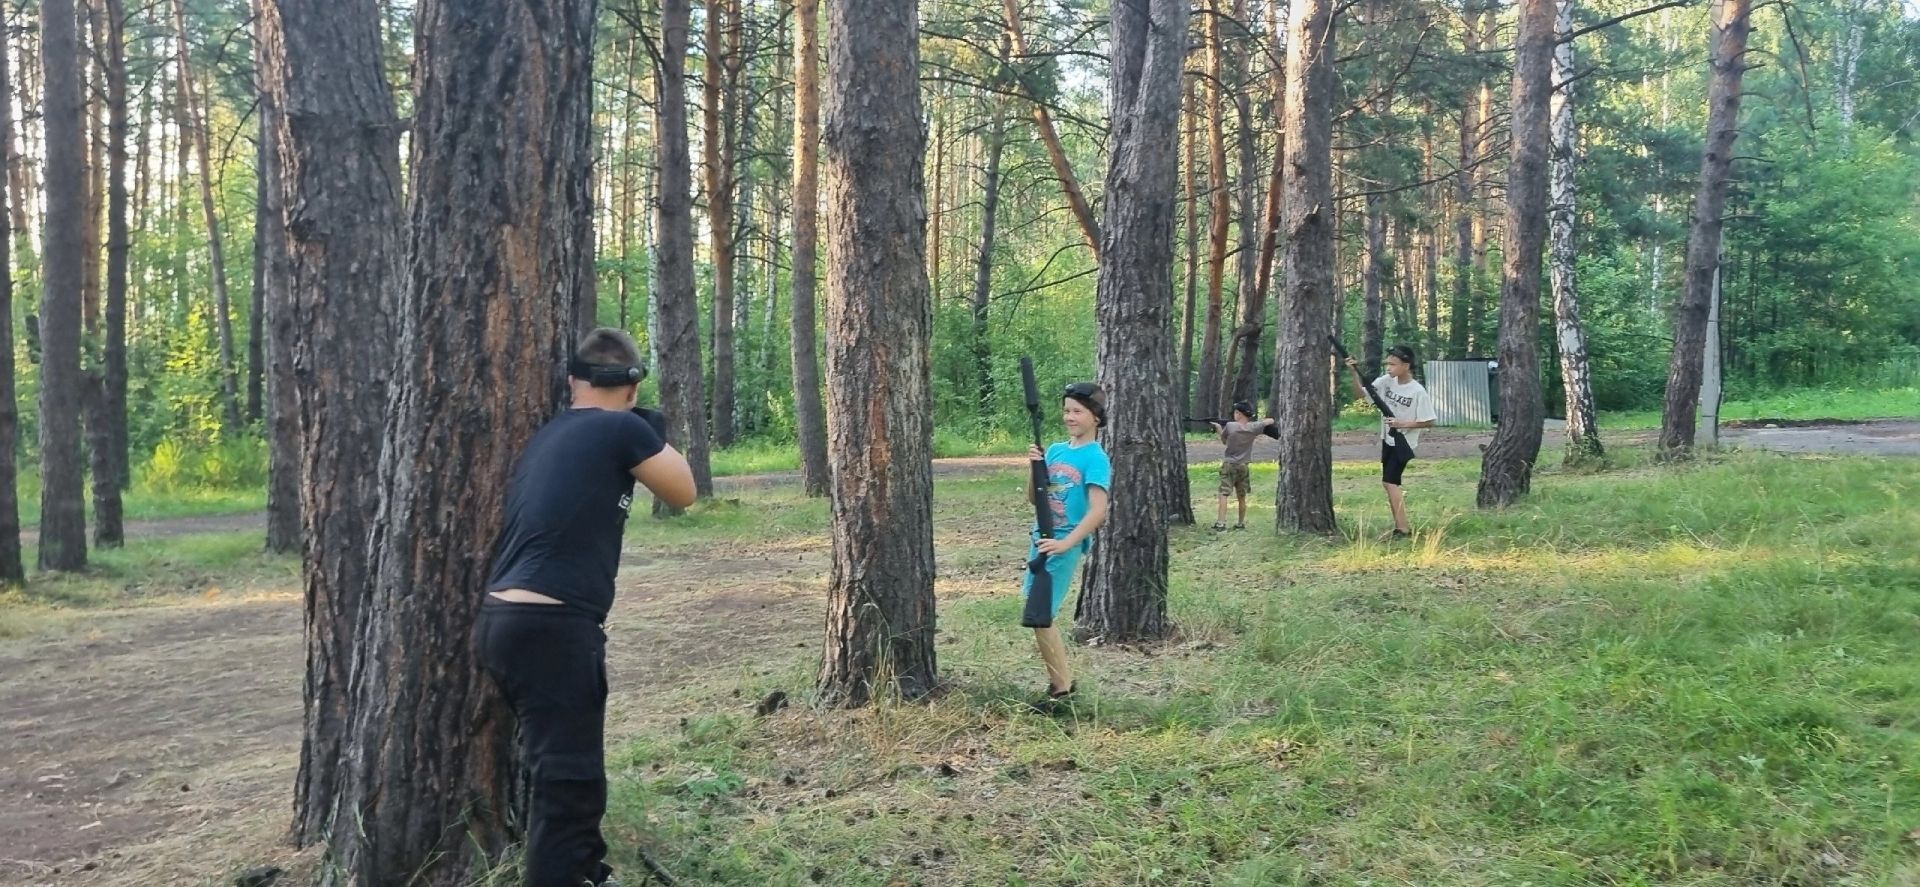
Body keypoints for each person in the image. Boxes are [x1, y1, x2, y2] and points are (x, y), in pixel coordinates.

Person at [475, 328, 697, 887]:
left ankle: (585, 874)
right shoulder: (622, 427)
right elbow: (684, 491)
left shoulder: (552, 432)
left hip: (507, 619)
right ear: (633, 385)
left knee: (559, 776)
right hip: (554, 624)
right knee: (569, 783)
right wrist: (647, 423)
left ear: (573, 381)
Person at [1022, 382, 1111, 711]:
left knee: (1041, 615)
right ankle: (1059, 685)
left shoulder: (1096, 458)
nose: (1069, 417)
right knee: (1037, 614)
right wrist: (1035, 466)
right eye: (1067, 410)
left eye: (1077, 411)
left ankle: (1062, 691)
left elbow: (1098, 511)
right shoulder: (1057, 450)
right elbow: (1035, 497)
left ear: (1096, 418)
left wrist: (1067, 543)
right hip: (1042, 538)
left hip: (1063, 542)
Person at [1345, 344, 1437, 539]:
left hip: (1403, 441)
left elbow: (1429, 421)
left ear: (1406, 365)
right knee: (1388, 483)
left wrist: (1400, 423)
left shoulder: (1417, 391)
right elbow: (1361, 395)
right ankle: (1400, 526)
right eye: (1388, 364)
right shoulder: (1387, 381)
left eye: (1393, 364)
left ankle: (1403, 529)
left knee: (1391, 482)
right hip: (1388, 439)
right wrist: (1354, 372)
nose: (1389, 368)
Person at [1209, 400, 1275, 530]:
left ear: (1239, 414)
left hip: (1229, 464)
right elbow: (1270, 421)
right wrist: (1263, 421)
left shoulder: (1230, 426)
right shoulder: (1254, 427)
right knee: (1242, 495)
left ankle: (1221, 523)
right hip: (1244, 465)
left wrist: (1218, 428)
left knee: (1224, 493)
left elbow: (1224, 441)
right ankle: (1240, 523)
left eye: (1236, 412)